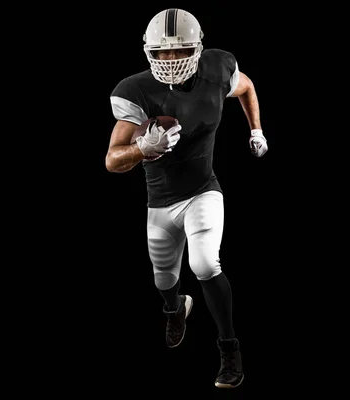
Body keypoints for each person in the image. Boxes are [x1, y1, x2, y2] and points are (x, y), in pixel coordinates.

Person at [104, 8, 268, 389]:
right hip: (160, 200)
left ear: (198, 49)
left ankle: (229, 348)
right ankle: (175, 309)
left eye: (179, 52)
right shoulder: (137, 90)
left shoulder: (218, 68)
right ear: (149, 52)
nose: (170, 61)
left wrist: (257, 130)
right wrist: (142, 148)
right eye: (161, 53)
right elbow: (112, 160)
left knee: (205, 263)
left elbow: (245, 86)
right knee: (164, 277)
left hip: (202, 190)